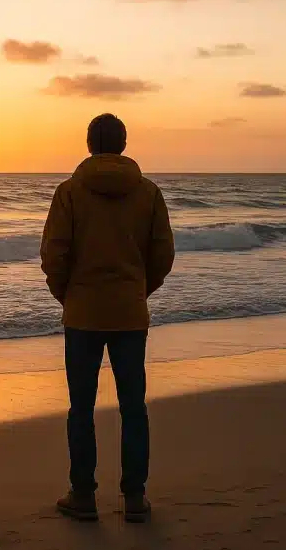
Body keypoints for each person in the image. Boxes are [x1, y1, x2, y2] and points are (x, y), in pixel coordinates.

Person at [40, 113, 175, 523]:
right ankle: (134, 496)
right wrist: (137, 290)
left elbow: (53, 254)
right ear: (123, 144)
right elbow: (162, 255)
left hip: (82, 312)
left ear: (88, 145)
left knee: (81, 408)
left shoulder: (69, 192)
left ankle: (83, 495)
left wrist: (68, 295)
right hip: (130, 314)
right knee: (133, 407)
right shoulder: (148, 193)